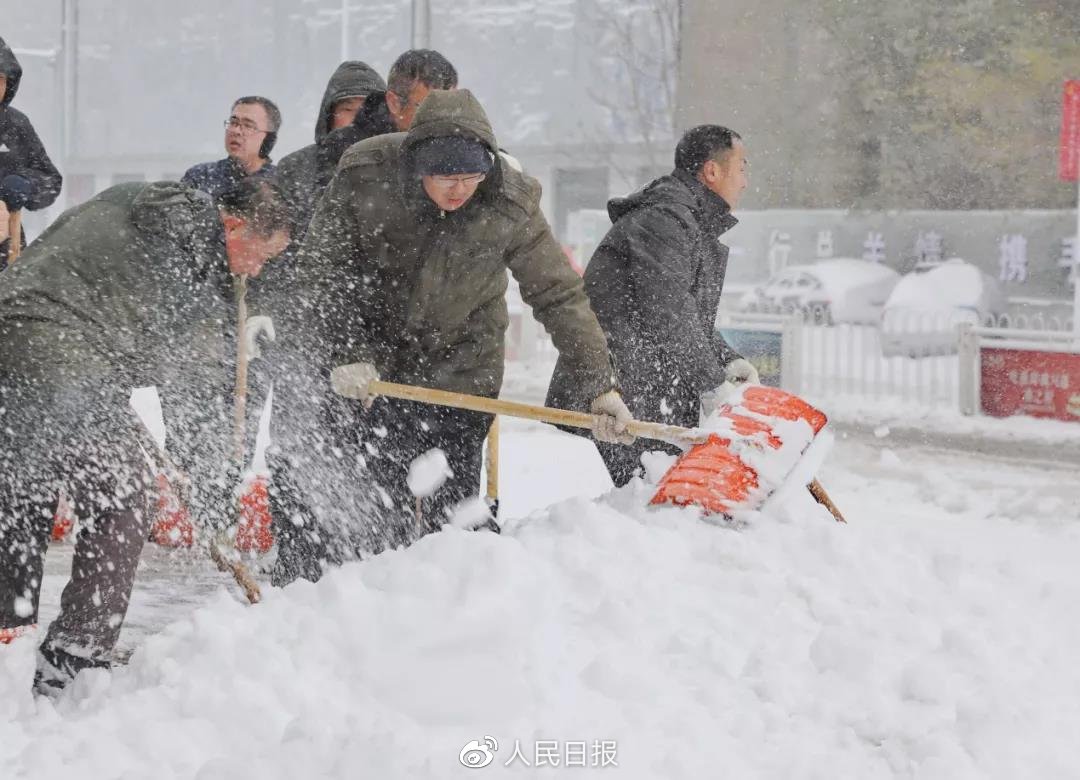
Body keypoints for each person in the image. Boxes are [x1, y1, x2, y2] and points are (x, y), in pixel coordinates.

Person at [271, 89, 633, 584]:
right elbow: (324, 269)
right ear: (418, 165)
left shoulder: (510, 201)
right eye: (446, 178)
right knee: (383, 497)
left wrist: (599, 384)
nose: (459, 189)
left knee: (455, 506)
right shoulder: (366, 175)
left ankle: (460, 606)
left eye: (470, 176)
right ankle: (380, 604)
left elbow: (559, 294)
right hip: (379, 370)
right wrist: (349, 351)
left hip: (465, 365)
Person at [0, 178, 290, 696]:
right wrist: (209, 496)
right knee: (121, 502)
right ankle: (75, 656)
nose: (255, 269)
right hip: (61, 355)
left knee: (22, 495)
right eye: (259, 256)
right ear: (233, 225)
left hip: (11, 330)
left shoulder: (137, 198)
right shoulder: (189, 265)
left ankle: (8, 632)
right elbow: (181, 384)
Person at [546, 125, 757, 487]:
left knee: (657, 501)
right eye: (742, 168)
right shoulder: (665, 220)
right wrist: (711, 383)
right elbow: (667, 311)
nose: (745, 181)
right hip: (623, 388)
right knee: (649, 500)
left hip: (649, 385)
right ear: (711, 171)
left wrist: (726, 358)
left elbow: (685, 313)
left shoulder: (686, 220)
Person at [277, 49, 458, 245]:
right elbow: (324, 243)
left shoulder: (463, 154)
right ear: (394, 103)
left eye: (450, 107)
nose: (440, 117)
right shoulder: (348, 156)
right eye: (427, 107)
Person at [274, 61, 388, 242]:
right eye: (348, 109)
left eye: (367, 110)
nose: (357, 118)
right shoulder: (294, 168)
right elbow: (275, 240)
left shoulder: (398, 164)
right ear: (329, 115)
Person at [0, 36, 63, 266]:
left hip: (7, 257)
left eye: (0, 80)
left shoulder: (14, 125)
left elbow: (50, 179)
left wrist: (26, 185)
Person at [181, 96, 281, 201]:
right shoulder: (201, 176)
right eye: (233, 123)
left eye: (248, 126)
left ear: (269, 137)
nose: (235, 131)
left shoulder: (281, 183)